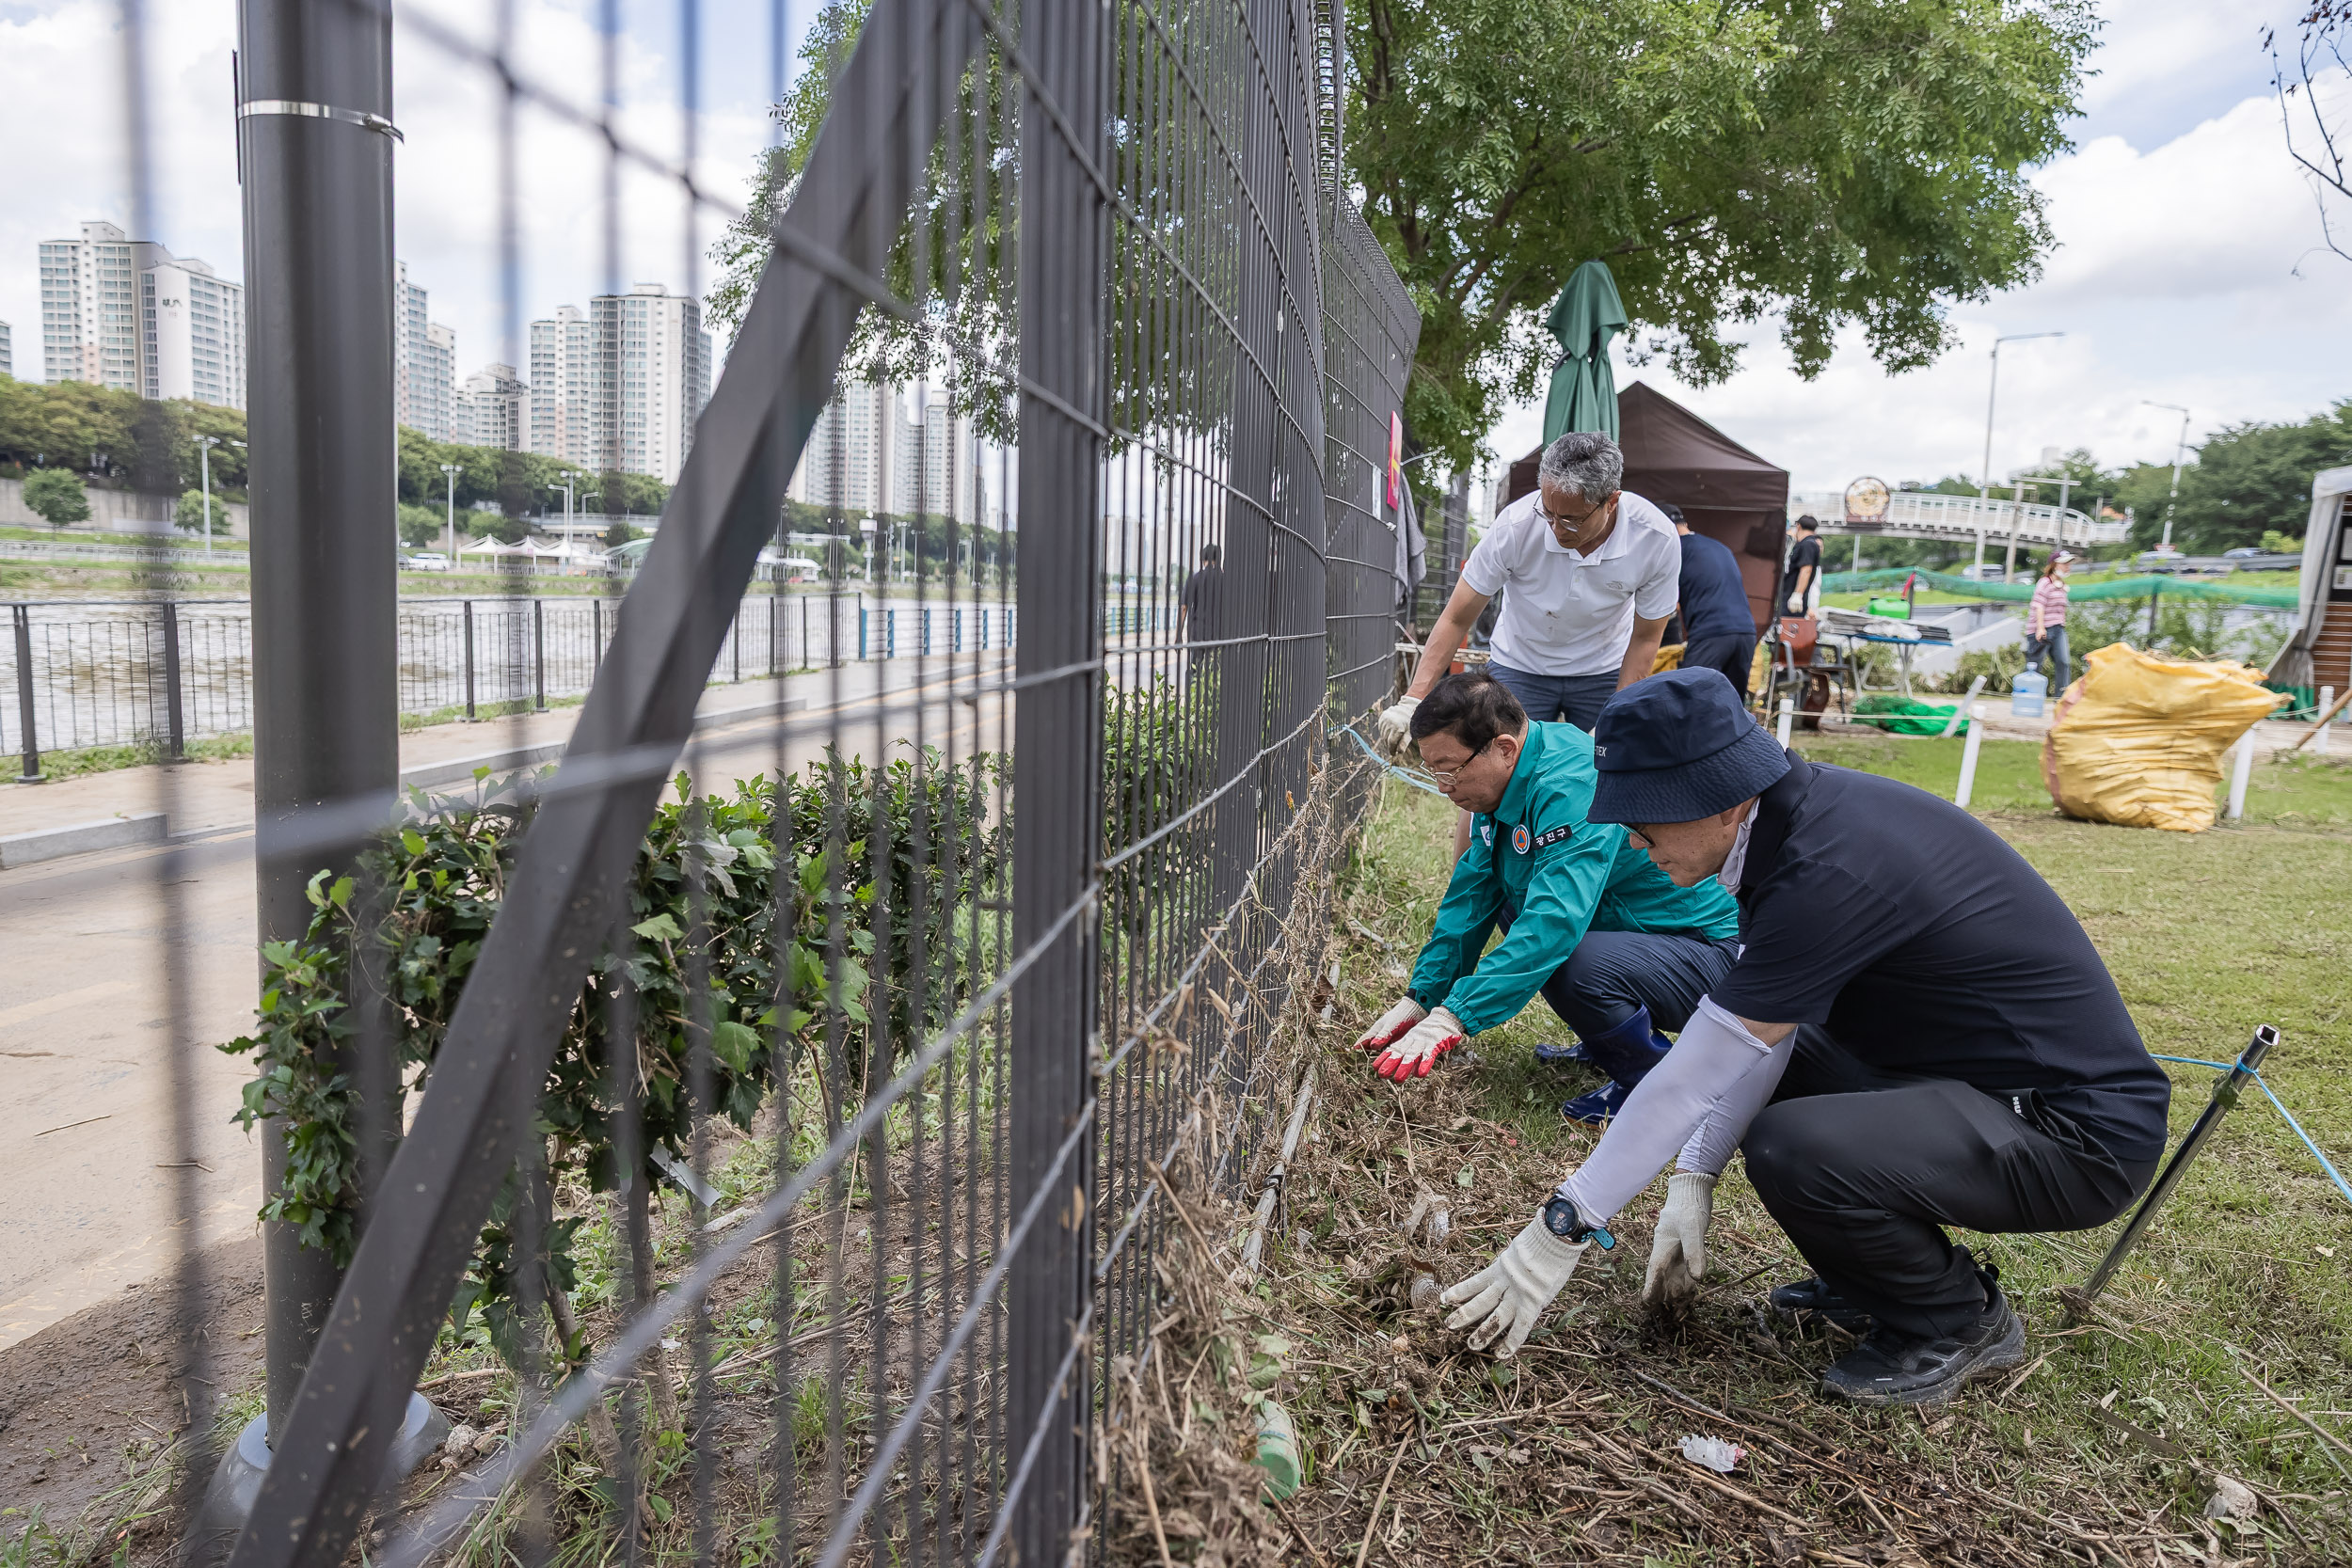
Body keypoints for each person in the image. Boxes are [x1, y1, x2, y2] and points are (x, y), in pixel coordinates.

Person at [1439, 668, 2169, 1407]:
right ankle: (1874, 1277)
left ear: (1718, 802)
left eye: (1644, 821)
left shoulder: (1830, 864)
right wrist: (1695, 1173)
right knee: (1775, 1093)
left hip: (2072, 1133)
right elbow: (1761, 1041)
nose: (1633, 840)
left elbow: (1694, 1073)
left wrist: (1561, 1227)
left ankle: (1956, 1318)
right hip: (1967, 1084)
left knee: (1795, 1145)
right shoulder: (1792, 828)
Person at [1351, 670, 1742, 1123]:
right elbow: (1472, 896)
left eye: (1451, 770)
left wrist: (1455, 1016)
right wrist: (1423, 997)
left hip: (1706, 950)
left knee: (1569, 958)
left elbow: (1554, 923)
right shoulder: (1505, 783)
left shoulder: (1571, 786)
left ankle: (1654, 1087)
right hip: (1641, 932)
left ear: (1503, 748)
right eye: (1432, 770)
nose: (1442, 786)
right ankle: (1606, 1041)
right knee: (1514, 903)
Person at [1377, 432, 1677, 744]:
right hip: (1520, 663)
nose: (1557, 529)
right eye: (1548, 512)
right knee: (1504, 768)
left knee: (1606, 768)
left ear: (1611, 502)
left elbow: (1645, 638)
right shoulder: (1516, 526)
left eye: (1571, 520)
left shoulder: (1655, 538)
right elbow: (1456, 618)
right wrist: (1413, 700)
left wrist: (1617, 716)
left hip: (1603, 670)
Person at [1667, 505, 1756, 699]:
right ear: (1685, 524)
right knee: (1732, 704)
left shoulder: (1675, 549)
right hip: (1746, 633)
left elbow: (1668, 603)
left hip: (1711, 633)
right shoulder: (1720, 547)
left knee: (1690, 698)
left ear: (1665, 528)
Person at [1177, 543, 1224, 680]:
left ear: (1203, 559)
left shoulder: (1194, 578)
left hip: (1198, 633)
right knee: (1216, 671)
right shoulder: (1225, 580)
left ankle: (1192, 698)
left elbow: (1184, 608)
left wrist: (1178, 636)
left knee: (1195, 669)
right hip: (1219, 634)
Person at [2026, 550, 2073, 689]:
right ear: (2054, 565)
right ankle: (2028, 693)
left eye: (2068, 564)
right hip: (2041, 629)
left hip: (2058, 628)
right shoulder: (2044, 582)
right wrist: (2040, 628)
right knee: (2035, 664)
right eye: (2064, 564)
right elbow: (2039, 606)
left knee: (2064, 662)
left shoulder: (2062, 586)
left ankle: (2061, 697)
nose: (2067, 567)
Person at [1781, 515, 1822, 618]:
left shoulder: (1808, 544)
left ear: (1798, 526)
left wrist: (1797, 594)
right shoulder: (1804, 544)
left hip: (1793, 599)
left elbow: (1806, 569)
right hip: (1788, 596)